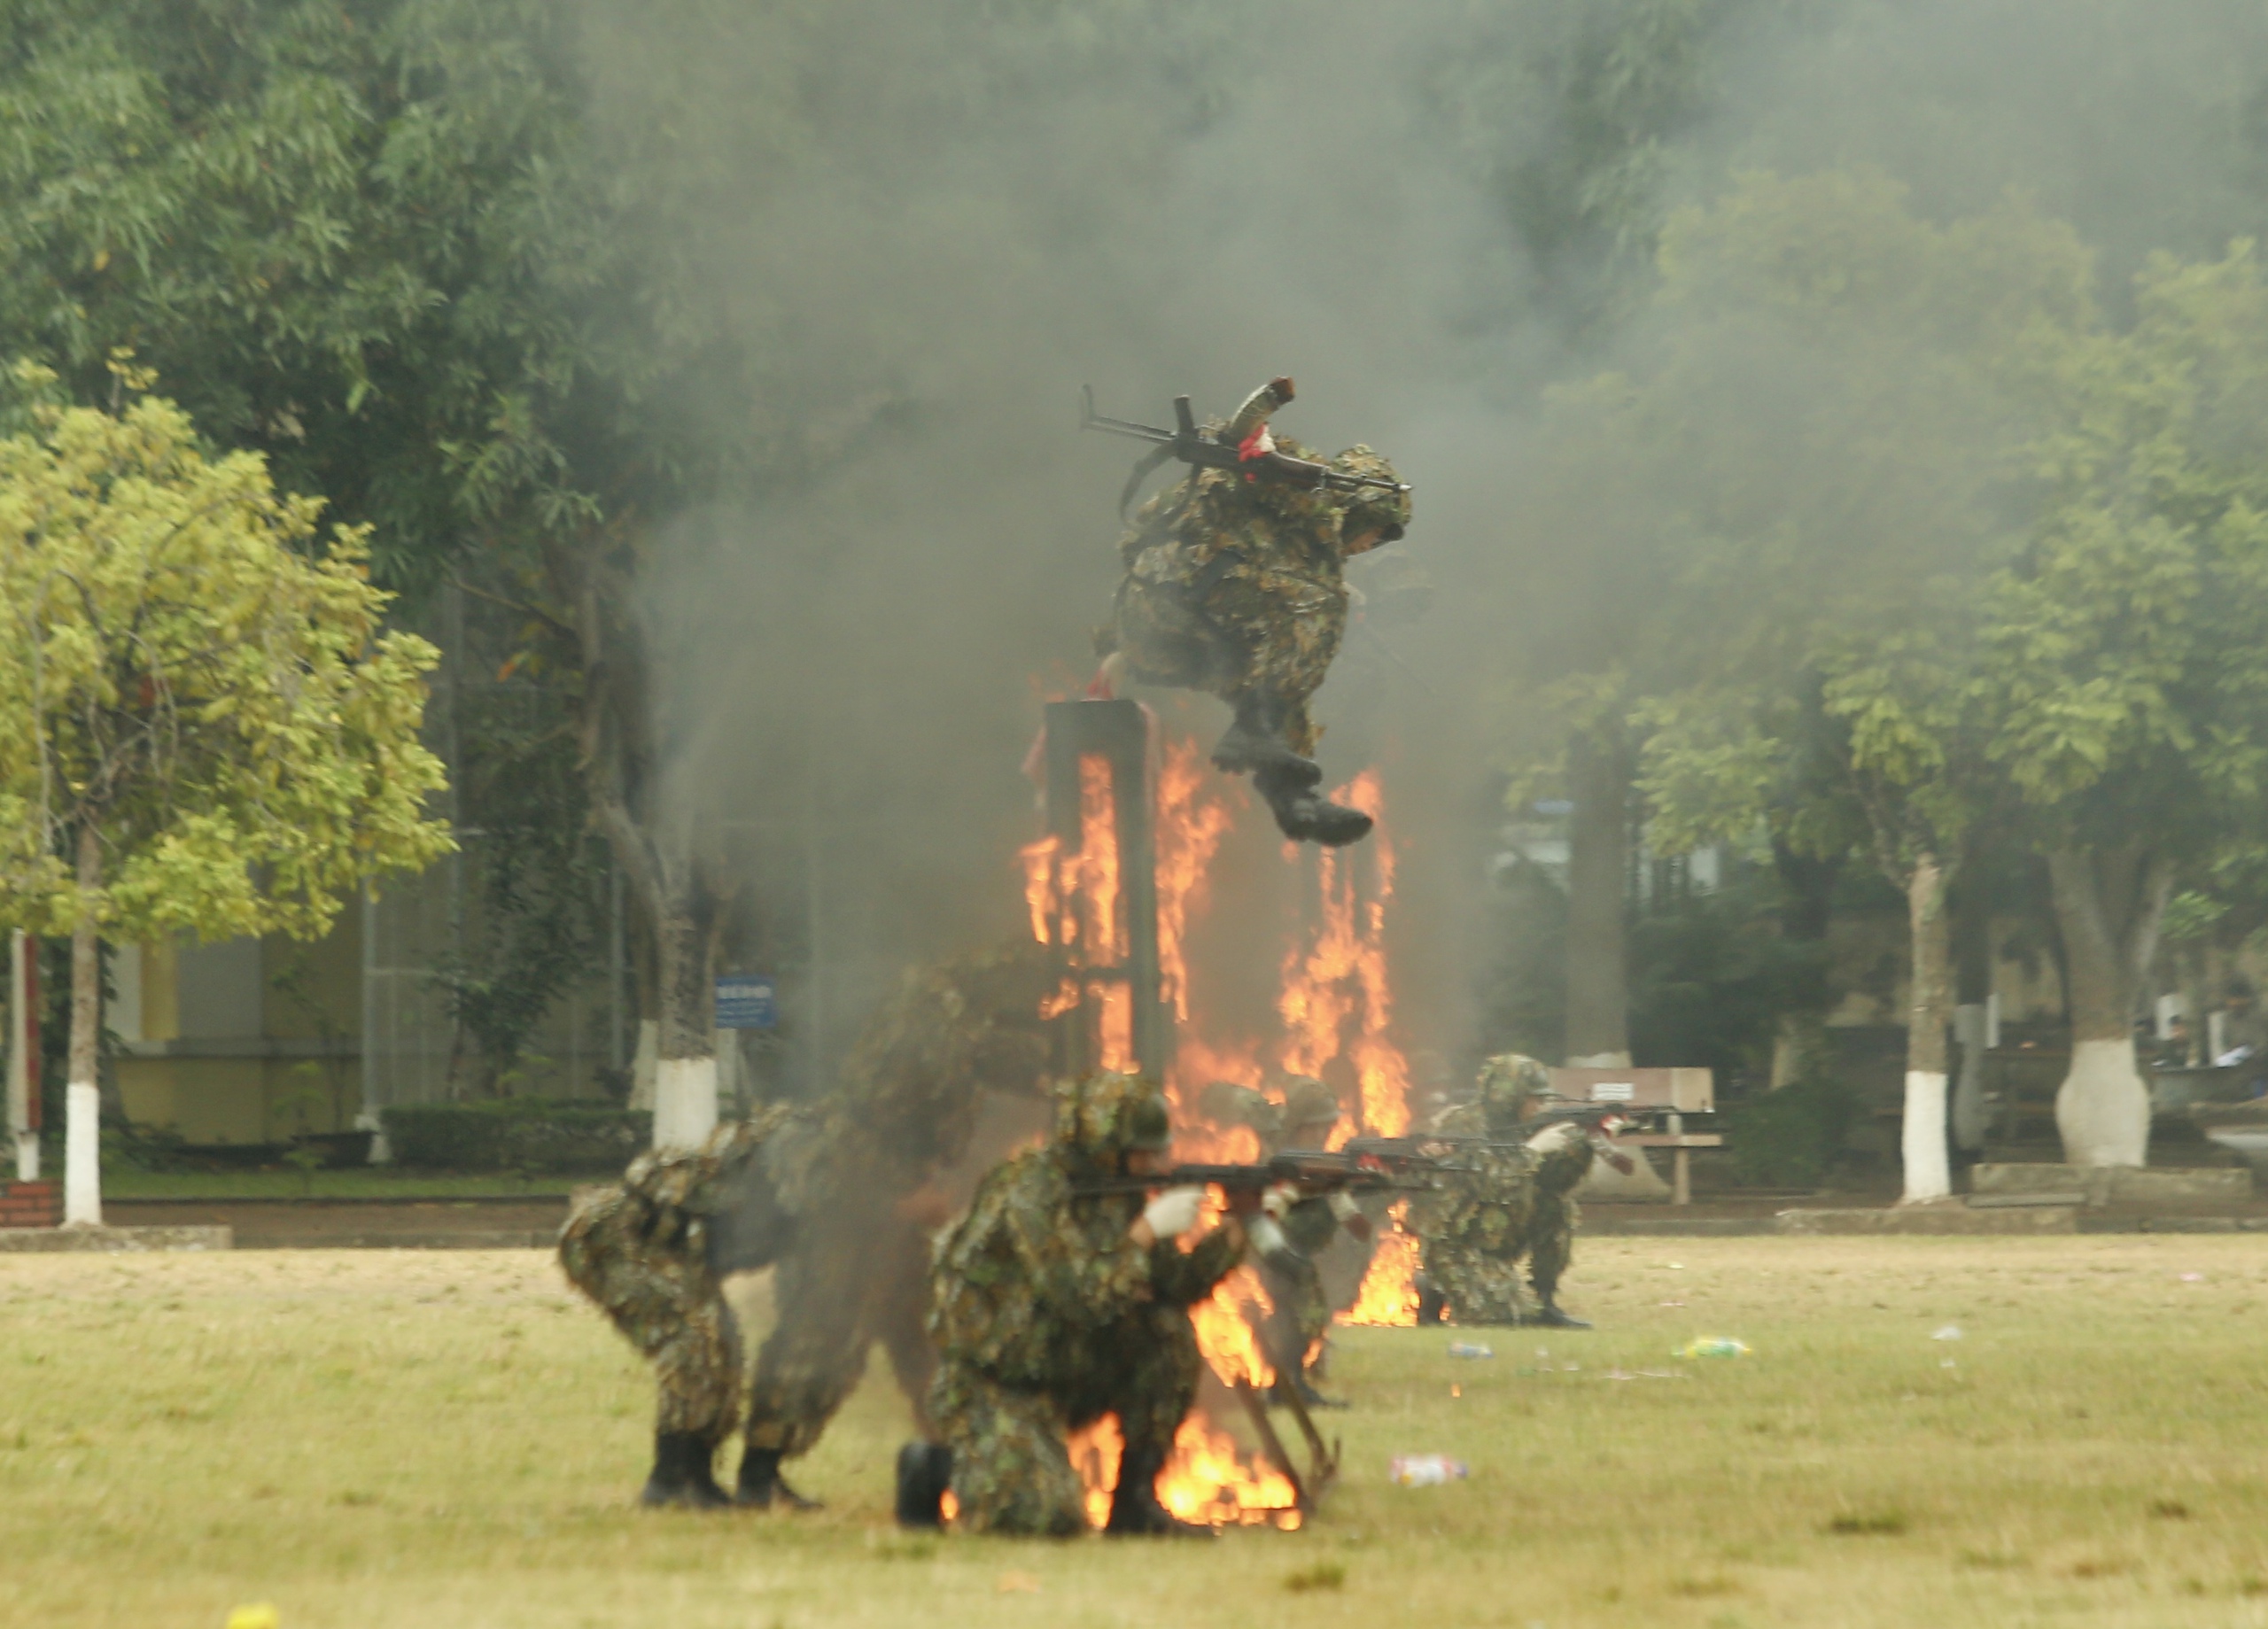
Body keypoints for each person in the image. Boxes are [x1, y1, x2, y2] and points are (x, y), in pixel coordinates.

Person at [732, 940, 1056, 1509]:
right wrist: (902, 1200)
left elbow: (1001, 1071)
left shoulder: (955, 1025)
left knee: (930, 1340)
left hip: (896, 1210)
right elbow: (861, 1136)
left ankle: (955, 1466)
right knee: (821, 1338)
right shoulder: (924, 1034)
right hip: (854, 1212)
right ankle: (759, 1475)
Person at [922, 1071, 1250, 1537]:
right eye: (1146, 1151)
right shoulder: (1031, 1189)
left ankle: (1135, 1505)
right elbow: (1075, 1294)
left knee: (1165, 1332)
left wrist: (1241, 1223)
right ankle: (934, 1466)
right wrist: (1145, 1233)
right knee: (1042, 1519)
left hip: (1071, 1368)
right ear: (1107, 1146)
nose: (1157, 1161)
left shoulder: (1119, 1194)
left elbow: (1174, 1287)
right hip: (1001, 1382)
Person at [1099, 382, 1410, 848]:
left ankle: (1294, 797)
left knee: (1290, 667)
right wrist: (1259, 446)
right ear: (1361, 511)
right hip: (1173, 600)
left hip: (1188, 633)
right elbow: (1242, 440)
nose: (1370, 546)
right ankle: (1253, 728)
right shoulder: (1304, 495)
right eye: (1375, 532)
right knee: (1318, 610)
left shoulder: (1299, 546)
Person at [558, 1109, 794, 1508]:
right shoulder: (800, 1156)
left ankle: (695, 1475)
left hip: (666, 1247)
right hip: (615, 1236)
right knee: (691, 1340)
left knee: (722, 1347)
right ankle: (671, 1480)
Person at [1409, 1053, 1603, 1330]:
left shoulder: (1522, 1127)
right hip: (1457, 1244)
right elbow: (1487, 1182)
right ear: (1509, 1096)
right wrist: (1532, 1150)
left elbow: (1554, 1183)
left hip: (1495, 1236)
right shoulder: (1462, 1125)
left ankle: (1545, 1300)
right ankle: (1432, 1288)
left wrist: (1583, 1146)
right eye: (1532, 1098)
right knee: (1506, 1317)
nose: (1539, 1106)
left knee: (1555, 1205)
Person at [1224, 1076, 1371, 1408]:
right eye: (1313, 1128)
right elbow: (1260, 1214)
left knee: (1305, 1311)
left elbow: (1357, 1226)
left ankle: (1288, 1380)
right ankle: (1285, 1384)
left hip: (1288, 1250)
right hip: (1264, 1250)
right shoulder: (1273, 1162)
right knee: (1300, 1308)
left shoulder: (1319, 1165)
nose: (1321, 1136)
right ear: (1297, 1127)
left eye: (1327, 1128)